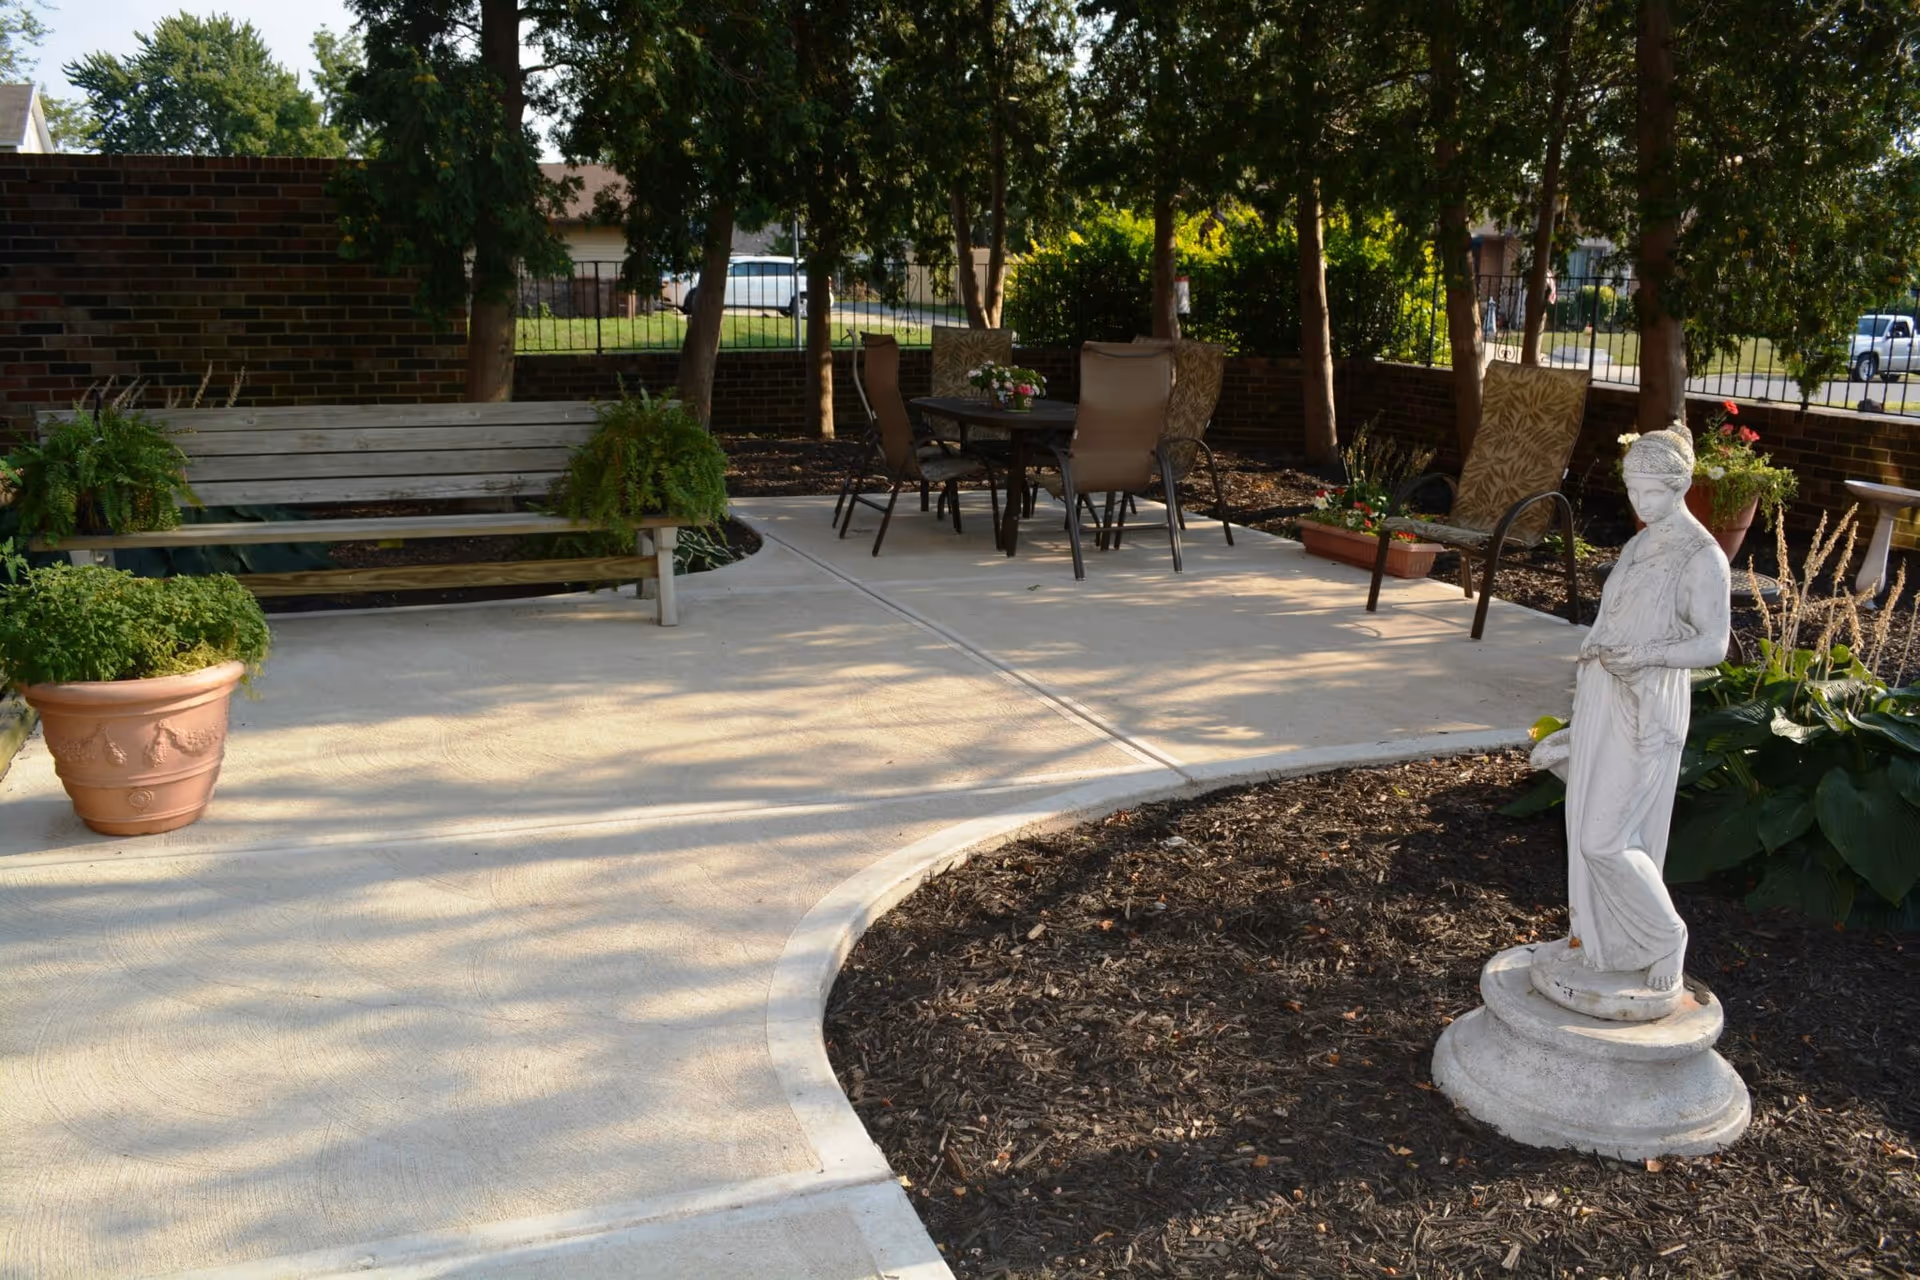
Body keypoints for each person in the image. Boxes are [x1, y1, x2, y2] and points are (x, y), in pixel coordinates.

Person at [1559, 424, 1729, 992]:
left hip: (1648, 704)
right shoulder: (1639, 542)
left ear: (1680, 486)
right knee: (1590, 824)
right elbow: (1613, 622)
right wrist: (1574, 727)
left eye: (1650, 492)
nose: (1638, 503)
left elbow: (1714, 644)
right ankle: (1605, 940)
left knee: (1604, 839)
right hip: (1605, 693)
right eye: (1632, 490)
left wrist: (1647, 656)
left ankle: (1665, 936)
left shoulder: (1702, 555)